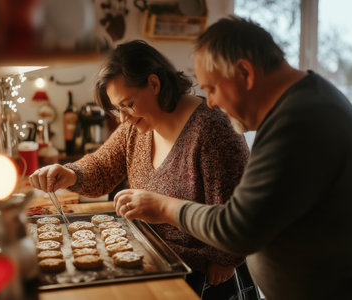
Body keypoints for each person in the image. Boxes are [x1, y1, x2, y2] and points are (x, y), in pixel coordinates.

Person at [113, 17, 352, 300]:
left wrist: (162, 206)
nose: (211, 102)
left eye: (213, 88)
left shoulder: (299, 121)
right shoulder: (304, 102)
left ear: (245, 73)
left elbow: (237, 228)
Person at [29, 40, 251, 299]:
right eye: (117, 110)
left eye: (127, 104)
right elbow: (101, 167)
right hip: (151, 257)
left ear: (154, 84)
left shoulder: (213, 130)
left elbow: (237, 219)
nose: (123, 118)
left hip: (198, 274)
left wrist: (225, 260)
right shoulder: (137, 127)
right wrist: (71, 174)